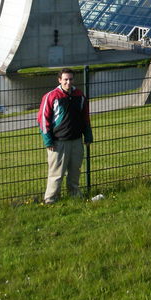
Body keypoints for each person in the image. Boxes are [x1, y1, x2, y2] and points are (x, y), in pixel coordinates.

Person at [36, 68, 93, 202]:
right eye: (65, 79)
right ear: (59, 80)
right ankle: (51, 199)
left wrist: (88, 136)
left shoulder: (79, 95)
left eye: (70, 79)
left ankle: (74, 195)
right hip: (58, 142)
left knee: (75, 171)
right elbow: (43, 120)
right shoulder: (51, 96)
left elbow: (85, 117)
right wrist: (48, 141)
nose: (68, 82)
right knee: (56, 173)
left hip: (76, 140)